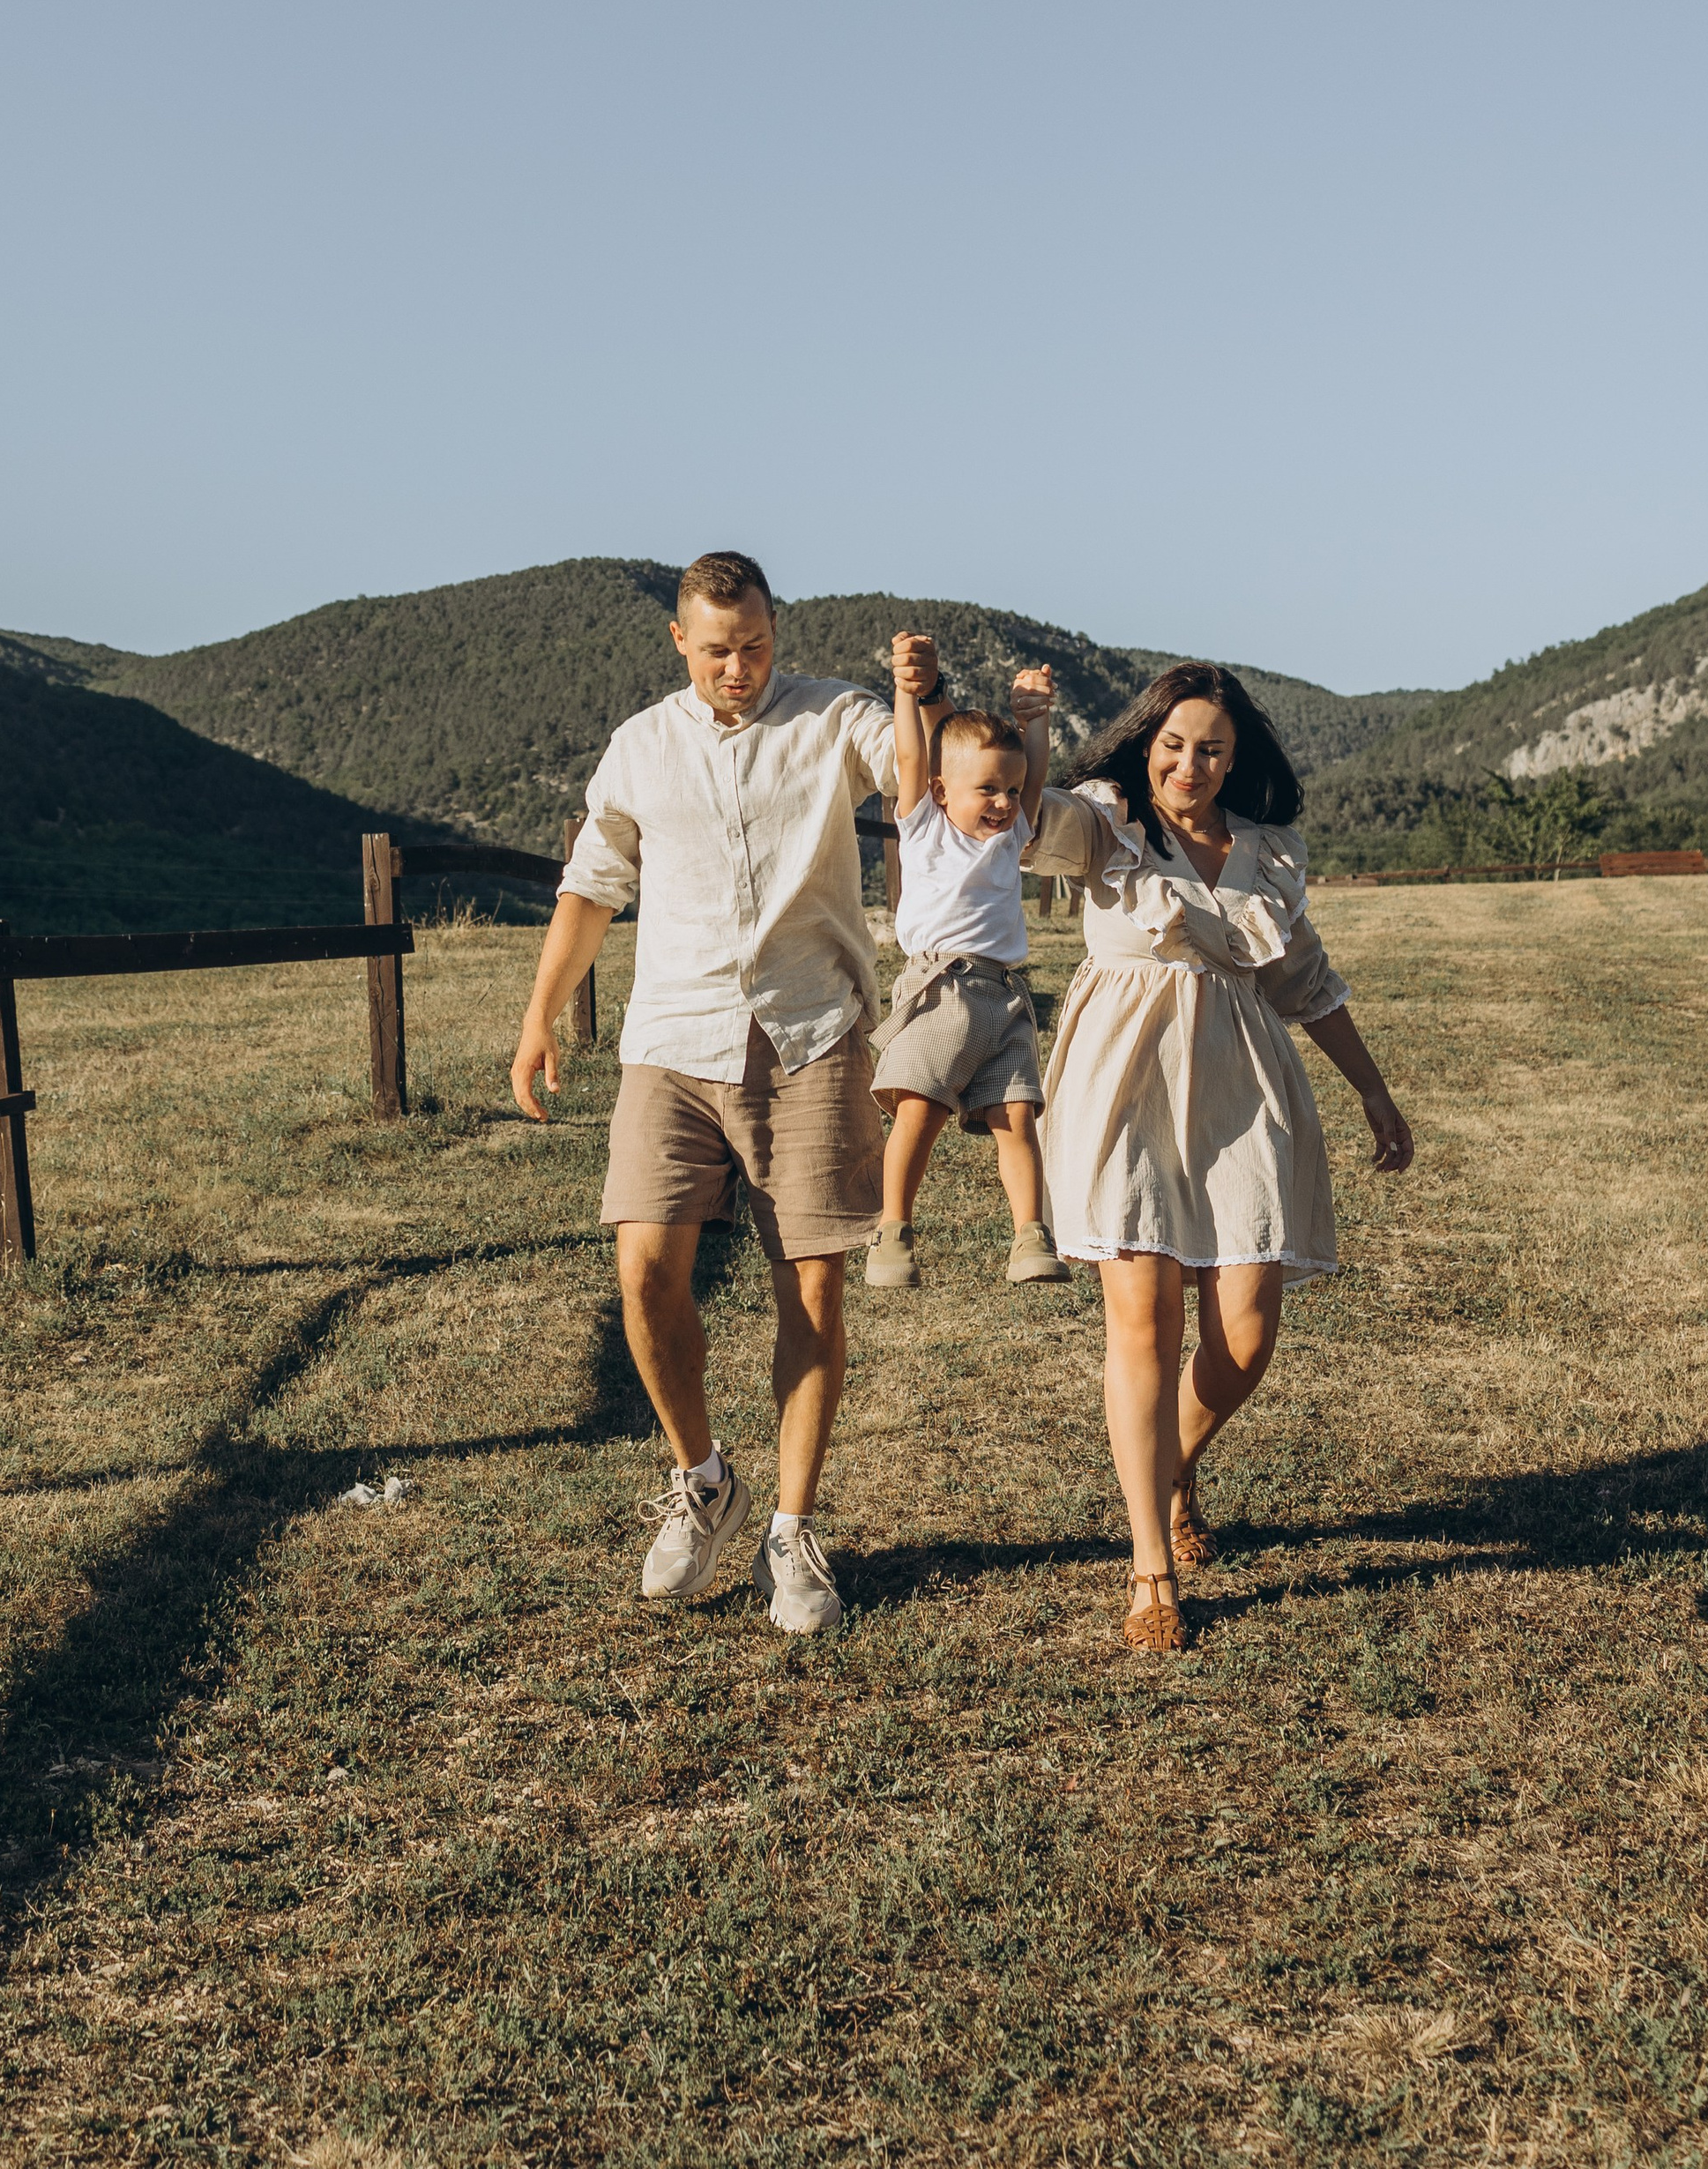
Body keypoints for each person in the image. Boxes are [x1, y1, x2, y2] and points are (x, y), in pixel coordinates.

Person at [511, 554, 969, 1636]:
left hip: (810, 1033)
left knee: (810, 1292)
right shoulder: (640, 746)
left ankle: (790, 1529)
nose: (738, 667)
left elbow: (921, 780)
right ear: (680, 641)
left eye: (755, 645)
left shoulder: (833, 719)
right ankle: (703, 1479)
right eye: (717, 649)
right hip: (670, 1038)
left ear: (777, 632)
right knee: (644, 1272)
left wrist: (923, 694)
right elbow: (591, 890)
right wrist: (539, 1016)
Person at [1028, 665, 1413, 1656]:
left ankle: (1169, 1463)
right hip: (1122, 1086)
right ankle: (1150, 1567)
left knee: (1243, 1336)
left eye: (1210, 748)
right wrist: (1027, 729)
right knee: (1143, 1319)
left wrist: (1372, 1089)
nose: (1188, 764)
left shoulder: (1266, 852)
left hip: (1243, 1089)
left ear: (1234, 758)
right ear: (1144, 743)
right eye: (1172, 744)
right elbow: (1027, 814)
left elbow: (1306, 979)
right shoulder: (1104, 823)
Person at [864, 636, 1068, 1291]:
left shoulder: (1011, 839)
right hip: (940, 991)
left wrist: (1035, 721)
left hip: (1006, 999)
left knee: (1017, 1120)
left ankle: (1030, 1237)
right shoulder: (924, 828)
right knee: (917, 1113)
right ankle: (893, 1233)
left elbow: (1034, 775)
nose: (1005, 801)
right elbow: (906, 750)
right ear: (940, 790)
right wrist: (906, 692)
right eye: (987, 789)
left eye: (1009, 790)